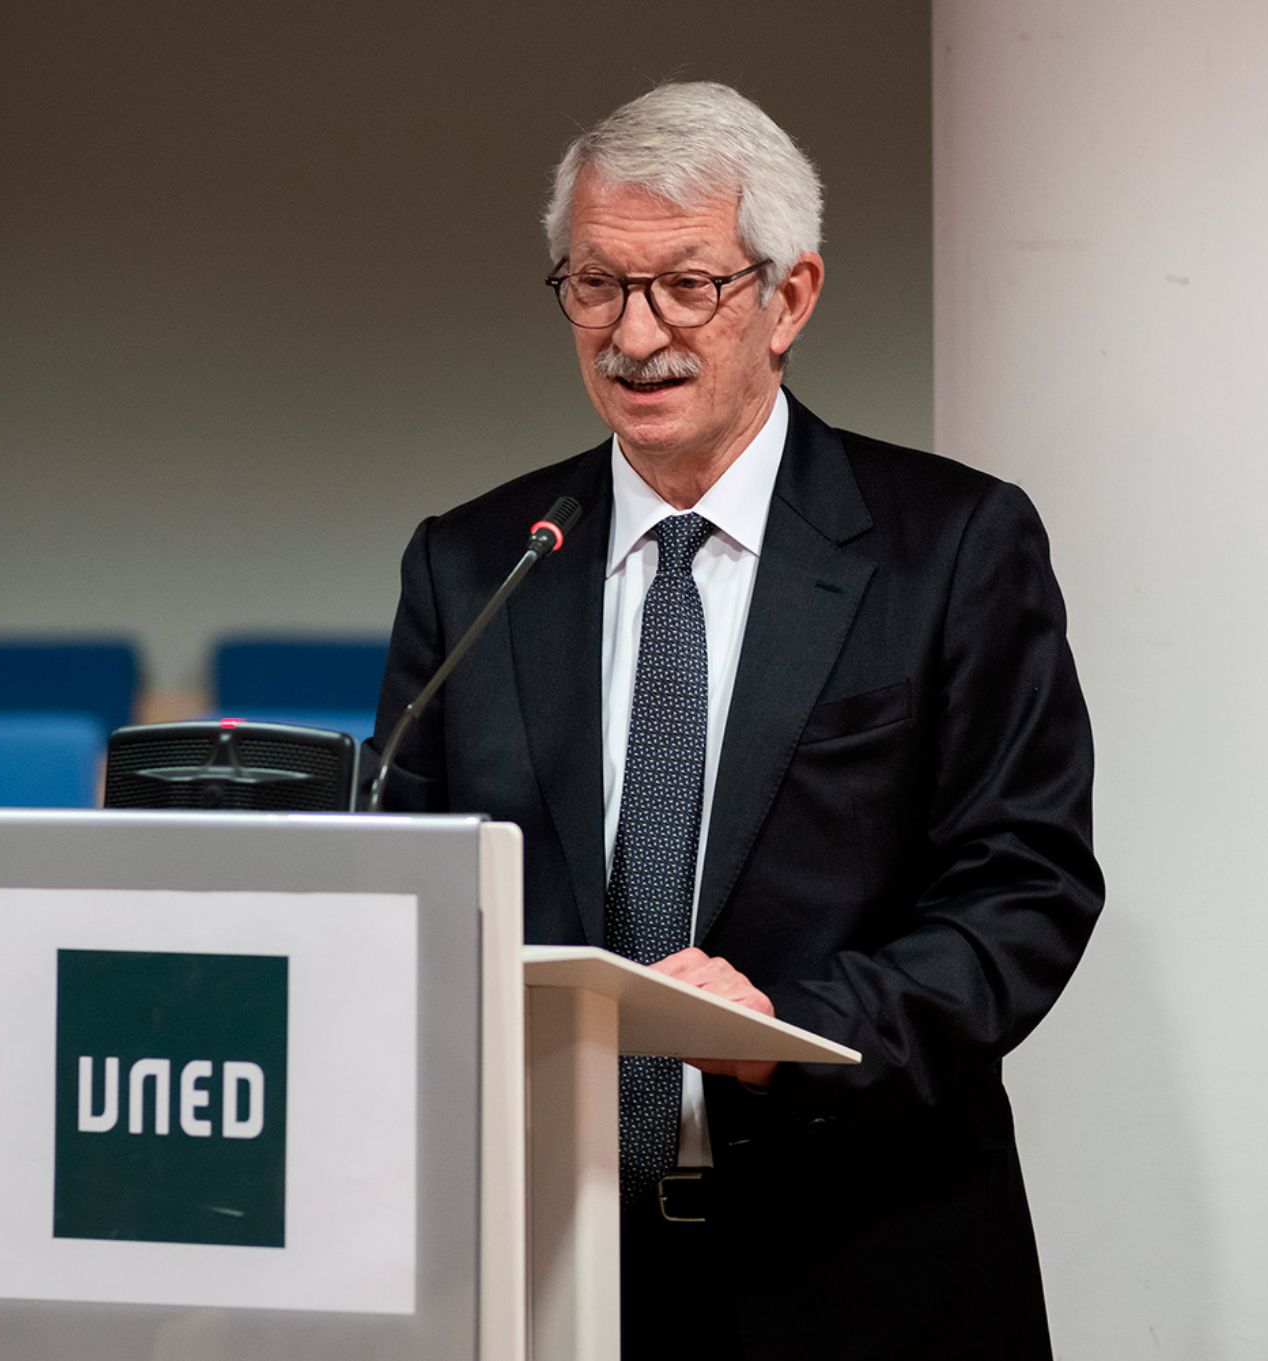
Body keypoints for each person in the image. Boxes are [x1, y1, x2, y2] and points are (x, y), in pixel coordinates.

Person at [370, 81, 1102, 1360]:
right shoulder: (478, 563)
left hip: (864, 1263)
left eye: (685, 285)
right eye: (595, 284)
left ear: (791, 298)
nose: (632, 332)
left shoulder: (952, 547)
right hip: (546, 1262)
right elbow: (401, 884)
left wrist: (783, 1031)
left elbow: (1022, 893)